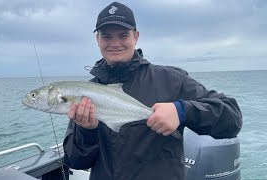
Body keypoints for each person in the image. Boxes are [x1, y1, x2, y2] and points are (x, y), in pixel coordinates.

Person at [63, 2, 242, 180]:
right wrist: (86, 131)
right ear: (97, 40)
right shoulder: (88, 93)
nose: (115, 43)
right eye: (107, 37)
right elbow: (75, 162)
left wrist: (183, 111)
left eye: (123, 35)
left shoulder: (171, 80)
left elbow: (232, 119)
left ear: (136, 36)